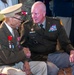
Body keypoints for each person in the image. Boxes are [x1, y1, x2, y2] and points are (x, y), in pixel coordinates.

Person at [20, 1, 74, 75]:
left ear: (44, 13)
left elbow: (65, 42)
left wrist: (71, 51)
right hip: (37, 58)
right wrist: (25, 52)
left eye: (36, 14)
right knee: (53, 69)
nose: (33, 16)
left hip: (53, 55)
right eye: (32, 13)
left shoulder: (55, 23)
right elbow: (22, 45)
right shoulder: (26, 26)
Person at [0, 3, 47, 75]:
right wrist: (23, 53)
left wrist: (26, 61)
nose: (21, 21)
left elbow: (19, 48)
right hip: (4, 66)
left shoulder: (14, 30)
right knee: (20, 73)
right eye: (19, 18)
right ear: (11, 18)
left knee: (42, 66)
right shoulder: (1, 32)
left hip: (16, 62)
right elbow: (7, 59)